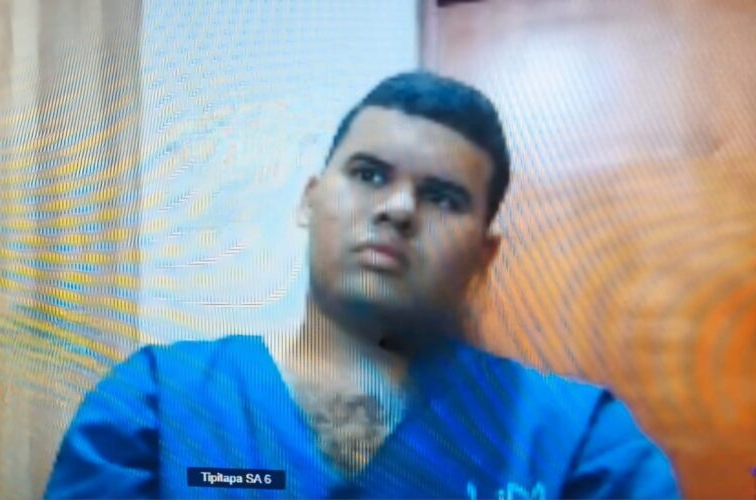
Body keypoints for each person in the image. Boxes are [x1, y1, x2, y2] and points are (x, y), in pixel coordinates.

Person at [45, 71, 681, 499]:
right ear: (310, 200)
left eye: (443, 197)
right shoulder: (156, 404)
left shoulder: (580, 443)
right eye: (370, 174)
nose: (399, 209)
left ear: (484, 256)